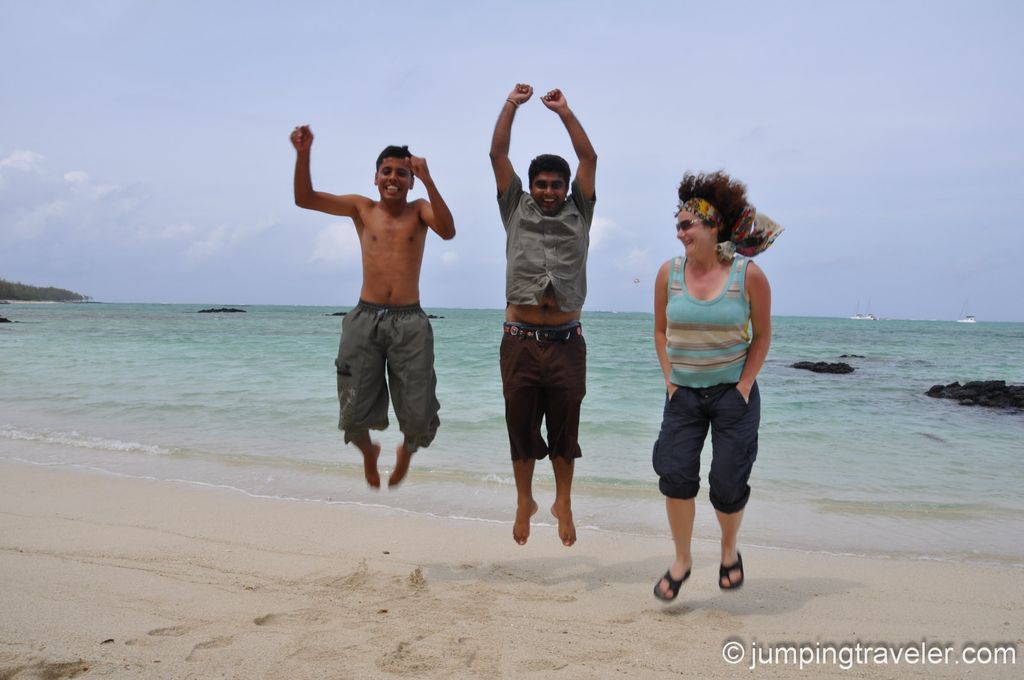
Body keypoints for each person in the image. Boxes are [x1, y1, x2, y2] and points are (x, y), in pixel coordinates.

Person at [290, 125, 455, 489]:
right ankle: (368, 452)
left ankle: (407, 452)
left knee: (419, 406)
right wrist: (303, 154)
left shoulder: (420, 209)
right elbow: (305, 198)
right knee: (352, 404)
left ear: (410, 181)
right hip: (365, 318)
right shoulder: (361, 208)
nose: (393, 178)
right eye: (387, 171)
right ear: (376, 177)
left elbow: (448, 230)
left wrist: (428, 179)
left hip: (410, 322)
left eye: (402, 173)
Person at [651, 171, 782, 600]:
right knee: (674, 475)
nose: (680, 231)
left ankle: (729, 551)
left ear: (713, 227)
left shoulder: (749, 275)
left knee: (727, 482)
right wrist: (670, 378)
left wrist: (745, 385)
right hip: (683, 395)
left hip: (733, 394)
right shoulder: (668, 274)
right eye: (678, 224)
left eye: (687, 224)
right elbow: (659, 330)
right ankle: (683, 559)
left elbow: (762, 336)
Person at [489, 84, 597, 547]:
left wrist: (564, 113)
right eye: (542, 184)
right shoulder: (515, 207)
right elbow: (497, 152)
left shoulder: (581, 210)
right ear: (531, 187)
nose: (549, 191)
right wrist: (512, 105)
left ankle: (563, 501)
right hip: (520, 339)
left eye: (556, 184)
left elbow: (589, 158)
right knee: (520, 425)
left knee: (565, 429)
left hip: (567, 342)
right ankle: (523, 500)